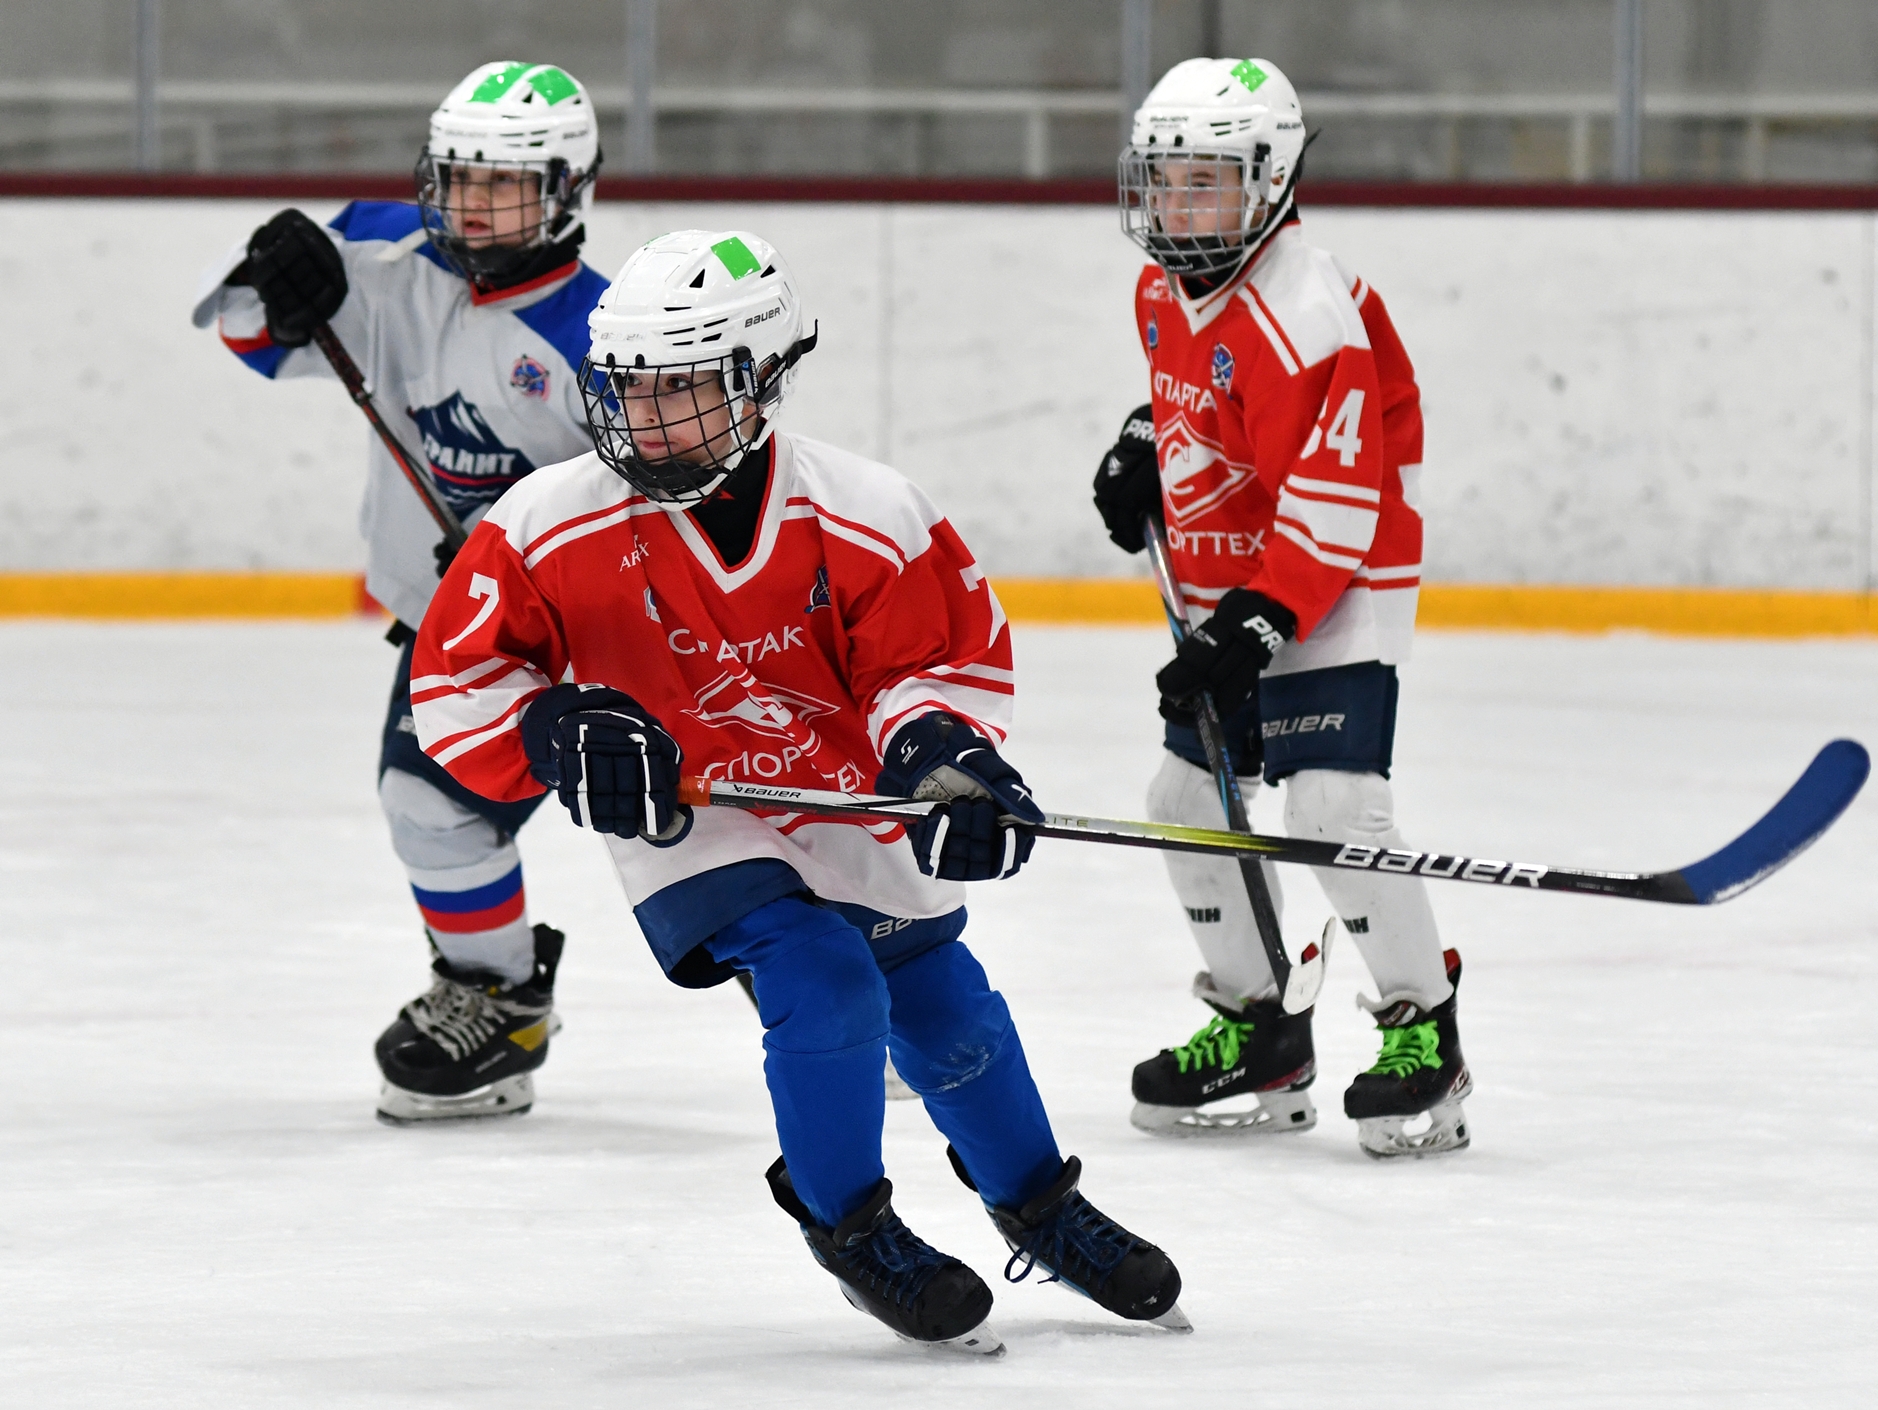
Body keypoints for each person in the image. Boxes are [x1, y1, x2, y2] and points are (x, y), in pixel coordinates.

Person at [408, 228, 1188, 1351]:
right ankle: (850, 1225)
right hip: (692, 813)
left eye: (682, 389)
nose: (648, 419)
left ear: (763, 376)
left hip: (843, 795)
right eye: (629, 388)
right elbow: (456, 682)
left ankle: (1040, 1206)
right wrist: (554, 726)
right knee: (823, 984)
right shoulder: (545, 521)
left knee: (949, 1010)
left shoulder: (870, 511)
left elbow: (934, 664)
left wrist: (946, 762)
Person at [189, 62, 610, 1124]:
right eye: (457, 177)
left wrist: (535, 557)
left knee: (719, 816)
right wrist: (271, 276)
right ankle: (499, 1002)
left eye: (504, 183)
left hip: (605, 629)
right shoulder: (381, 248)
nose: (472, 205)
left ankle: (870, 974)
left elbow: (666, 511)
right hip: (460, 629)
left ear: (567, 190)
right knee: (429, 806)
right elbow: (251, 337)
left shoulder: (601, 334)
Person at [1092, 57, 1471, 1158]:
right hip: (1234, 584)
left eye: (1205, 182)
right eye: (1165, 182)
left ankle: (1425, 1032)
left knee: (1332, 809)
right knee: (1185, 797)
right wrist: (1142, 442)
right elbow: (1202, 395)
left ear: (1269, 181)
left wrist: (1256, 623)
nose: (1178, 206)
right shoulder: (1162, 288)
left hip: (1335, 584)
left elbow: (1335, 501)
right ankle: (1259, 1028)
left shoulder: (1308, 313)